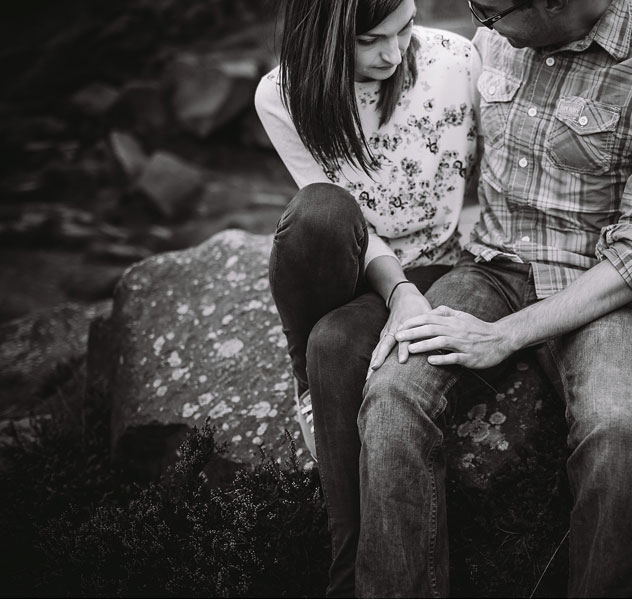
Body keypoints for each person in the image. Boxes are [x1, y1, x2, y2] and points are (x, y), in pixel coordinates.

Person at [358, 0, 632, 597]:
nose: (481, 22)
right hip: (489, 266)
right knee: (392, 395)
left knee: (619, 429)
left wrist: (504, 336)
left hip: (597, 287)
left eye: (488, 10)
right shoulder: (500, 31)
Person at [255, 0, 480, 596]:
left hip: (435, 262)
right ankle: (306, 378)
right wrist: (395, 289)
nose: (394, 52)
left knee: (336, 343)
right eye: (370, 40)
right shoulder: (282, 95)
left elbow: (499, 168)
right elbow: (346, 218)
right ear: (323, 37)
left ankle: (348, 579)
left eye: (404, 29)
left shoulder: (457, 59)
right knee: (320, 212)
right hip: (349, 264)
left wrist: (421, 288)